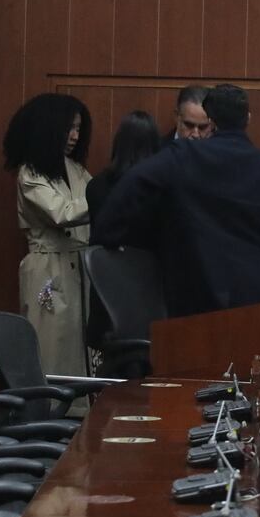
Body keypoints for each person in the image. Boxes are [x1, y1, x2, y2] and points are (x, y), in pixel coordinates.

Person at [93, 84, 260, 317]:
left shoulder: (180, 159)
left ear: (211, 123)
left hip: (197, 300)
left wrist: (110, 237)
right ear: (247, 118)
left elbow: (126, 192)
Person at [3, 92, 94, 378]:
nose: (75, 136)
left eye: (79, 128)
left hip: (80, 265)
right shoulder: (31, 172)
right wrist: (106, 196)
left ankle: (80, 412)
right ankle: (48, 412)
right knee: (51, 345)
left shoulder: (76, 169)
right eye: (69, 128)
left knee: (82, 347)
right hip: (48, 267)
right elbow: (61, 212)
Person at [85, 110, 160, 353]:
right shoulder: (159, 189)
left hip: (108, 297)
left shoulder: (96, 186)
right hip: (151, 294)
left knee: (109, 377)